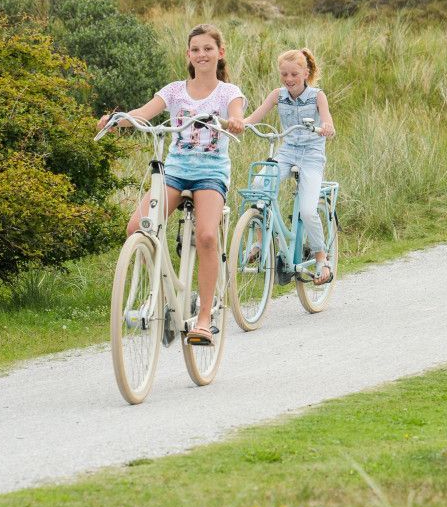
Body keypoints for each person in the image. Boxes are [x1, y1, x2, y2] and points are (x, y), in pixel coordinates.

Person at [96, 24, 245, 345]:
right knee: (138, 226)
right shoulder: (175, 90)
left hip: (210, 172)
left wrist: (236, 121)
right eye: (195, 49)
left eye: (208, 49)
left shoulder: (228, 93)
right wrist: (116, 119)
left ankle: (204, 318)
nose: (201, 55)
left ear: (220, 53)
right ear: (188, 55)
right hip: (175, 170)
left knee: (206, 235)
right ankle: (162, 296)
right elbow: (144, 113)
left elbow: (237, 114)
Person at [244, 48, 336, 285]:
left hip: (312, 156)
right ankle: (257, 242)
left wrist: (326, 127)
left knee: (307, 210)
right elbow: (255, 117)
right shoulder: (277, 95)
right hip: (287, 152)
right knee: (259, 185)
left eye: (294, 74)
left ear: (306, 73)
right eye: (284, 74)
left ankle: (321, 258)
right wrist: (238, 124)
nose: (289, 79)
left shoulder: (318, 96)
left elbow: (328, 122)